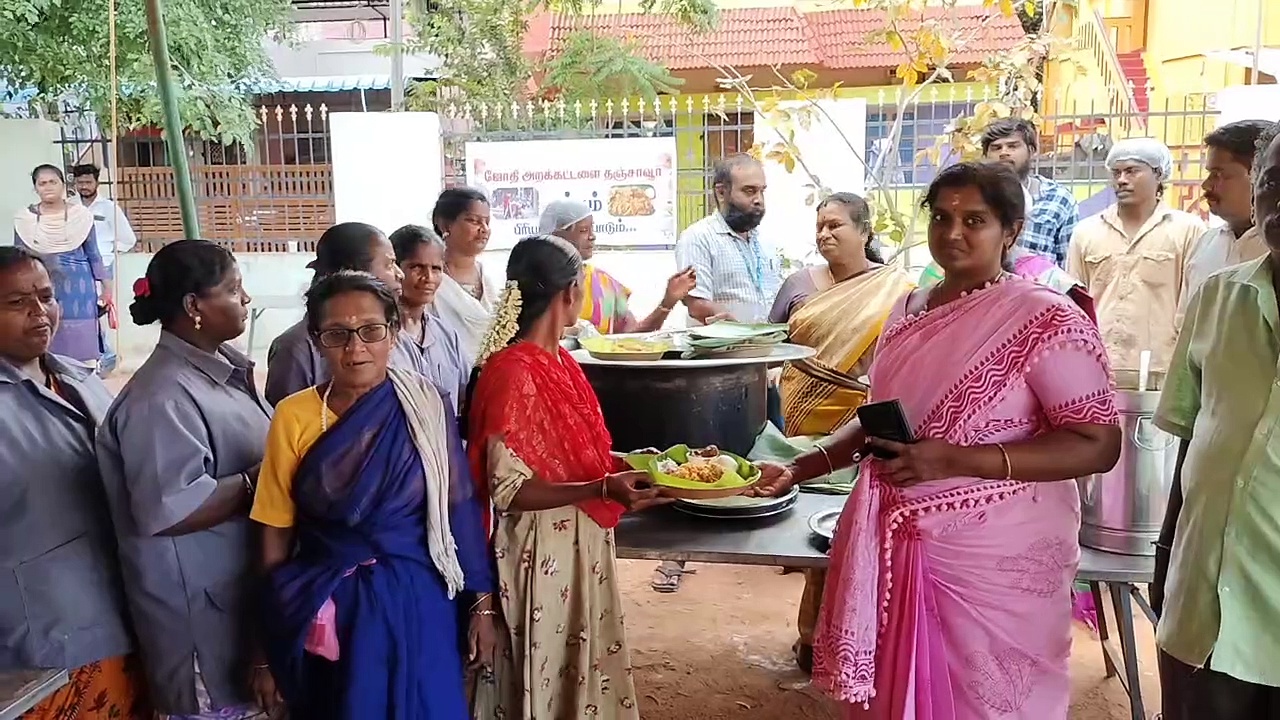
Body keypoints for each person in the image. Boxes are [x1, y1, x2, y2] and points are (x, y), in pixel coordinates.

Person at [754, 162, 1121, 718]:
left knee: (987, 699)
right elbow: (881, 416)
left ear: (1011, 231)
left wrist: (957, 459)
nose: (954, 232)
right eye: (942, 216)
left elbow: (1098, 443)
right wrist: (806, 465)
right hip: (899, 545)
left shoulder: (1046, 318)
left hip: (993, 558)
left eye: (975, 219)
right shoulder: (909, 309)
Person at [252, 271, 495, 719]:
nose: (355, 347)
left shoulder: (425, 401)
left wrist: (481, 605)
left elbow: (457, 506)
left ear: (394, 331)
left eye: (370, 330)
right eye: (337, 334)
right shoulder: (294, 415)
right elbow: (274, 533)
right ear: (316, 339)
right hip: (332, 605)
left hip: (421, 598)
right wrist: (267, 645)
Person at [466, 235, 672, 719]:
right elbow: (508, 490)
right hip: (540, 552)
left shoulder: (561, 361)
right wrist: (601, 487)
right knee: (547, 671)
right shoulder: (511, 371)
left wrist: (625, 461)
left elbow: (572, 451)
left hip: (579, 542)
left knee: (578, 667)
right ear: (569, 293)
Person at [97, 240, 271, 719]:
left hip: (236, 597)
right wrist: (263, 480)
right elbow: (169, 507)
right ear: (194, 306)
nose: (246, 300)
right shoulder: (161, 396)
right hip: (199, 619)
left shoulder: (218, 372)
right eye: (234, 290)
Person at [1150, 121, 1280, 719]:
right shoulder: (1218, 298)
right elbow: (1190, 441)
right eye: (1273, 182)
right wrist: (1165, 556)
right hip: (1202, 617)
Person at [765, 192, 915, 674]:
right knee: (806, 533)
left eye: (836, 225)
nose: (825, 233)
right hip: (797, 424)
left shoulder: (896, 290)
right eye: (820, 226)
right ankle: (813, 640)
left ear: (866, 232)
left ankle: (841, 643)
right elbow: (771, 345)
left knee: (848, 532)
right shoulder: (798, 284)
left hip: (858, 424)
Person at [0, 247, 149, 719]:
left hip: (119, 615)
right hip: (39, 645)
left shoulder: (78, 379)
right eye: (16, 302)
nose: (39, 312)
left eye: (45, 296)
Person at [663, 154, 785, 592]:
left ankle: (768, 544)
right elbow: (696, 305)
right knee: (709, 460)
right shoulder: (699, 238)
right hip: (717, 373)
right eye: (749, 192)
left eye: (762, 192)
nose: (758, 201)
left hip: (763, 365)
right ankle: (678, 554)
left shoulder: (764, 243)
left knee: (767, 448)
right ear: (721, 192)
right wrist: (739, 325)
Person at [1067, 137, 1206, 373]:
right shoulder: (1086, 232)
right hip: (1097, 365)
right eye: (1116, 172)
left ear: (1159, 174)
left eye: (1132, 171)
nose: (1122, 180)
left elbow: (1193, 307)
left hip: (1161, 367)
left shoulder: (1188, 230)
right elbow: (1073, 306)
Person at [264, 221, 433, 408]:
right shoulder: (296, 348)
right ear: (354, 271)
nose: (399, 274)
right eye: (389, 264)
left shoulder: (397, 334)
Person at [538, 198, 696, 333]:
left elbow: (632, 338)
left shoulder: (603, 284)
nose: (592, 236)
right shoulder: (535, 283)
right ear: (556, 234)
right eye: (584, 230)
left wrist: (667, 303)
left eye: (592, 229)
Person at [13, 164, 108, 364]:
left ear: (63, 185)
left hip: (79, 292)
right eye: (42, 183)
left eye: (53, 182)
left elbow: (94, 254)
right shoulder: (25, 219)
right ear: (35, 188)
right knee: (45, 341)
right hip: (40, 289)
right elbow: (20, 258)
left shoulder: (80, 216)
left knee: (83, 355)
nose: (48, 187)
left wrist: (107, 289)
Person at [1180, 119, 1272, 317]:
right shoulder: (1205, 244)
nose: (1206, 185)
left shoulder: (1274, 248)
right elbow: (1185, 326)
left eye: (1218, 174)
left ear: (1258, 174)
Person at [390, 224, 471, 410]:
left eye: (436, 269)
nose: (429, 278)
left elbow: (466, 396)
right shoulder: (379, 338)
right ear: (395, 269)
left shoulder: (447, 336)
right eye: (417, 267)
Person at [980, 118, 1079, 267]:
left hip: (1040, 287)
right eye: (996, 148)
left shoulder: (1058, 199)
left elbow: (1069, 263)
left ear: (1031, 151)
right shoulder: (975, 198)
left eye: (1012, 146)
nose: (1004, 153)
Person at [72, 163, 137, 375]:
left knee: (97, 311)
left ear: (96, 182)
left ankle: (105, 355)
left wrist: (107, 251)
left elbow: (128, 239)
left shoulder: (109, 208)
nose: (84, 186)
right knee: (83, 311)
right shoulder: (70, 207)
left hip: (102, 266)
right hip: (76, 266)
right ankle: (103, 356)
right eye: (80, 182)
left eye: (88, 182)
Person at [432, 187, 500, 362]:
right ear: (445, 225)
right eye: (473, 221)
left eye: (487, 222)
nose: (484, 229)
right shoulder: (430, 279)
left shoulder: (489, 275)